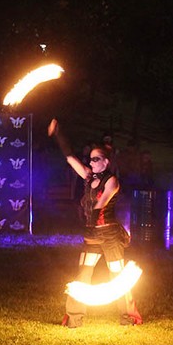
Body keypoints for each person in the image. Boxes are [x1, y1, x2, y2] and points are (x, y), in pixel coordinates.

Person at [48, 119, 142, 328]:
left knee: (118, 277)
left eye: (96, 159)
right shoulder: (88, 177)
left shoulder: (112, 181)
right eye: (90, 159)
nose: (91, 163)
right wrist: (58, 134)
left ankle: (128, 316)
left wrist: (91, 221)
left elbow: (101, 202)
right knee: (83, 274)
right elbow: (70, 158)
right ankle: (74, 318)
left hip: (109, 236)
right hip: (92, 236)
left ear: (106, 162)